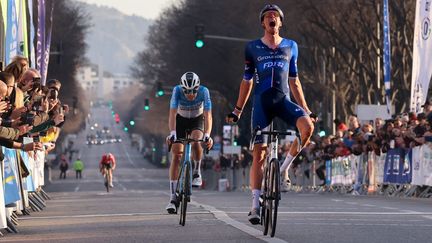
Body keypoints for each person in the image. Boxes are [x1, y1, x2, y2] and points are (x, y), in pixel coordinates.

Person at [225, 4, 316, 225]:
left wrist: (306, 109)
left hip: (283, 101)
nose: (272, 18)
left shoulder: (291, 46)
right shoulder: (252, 47)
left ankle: (283, 170)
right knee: (260, 154)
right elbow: (246, 81)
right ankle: (255, 205)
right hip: (262, 104)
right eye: (267, 16)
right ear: (263, 23)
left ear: (280, 23)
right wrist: (238, 109)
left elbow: (294, 81)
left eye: (275, 16)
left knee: (307, 128)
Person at [165, 72, 213, 214]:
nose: (190, 94)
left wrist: (208, 135)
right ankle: (173, 198)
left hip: (197, 120)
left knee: (197, 140)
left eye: (193, 91)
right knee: (177, 155)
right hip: (180, 120)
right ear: (182, 88)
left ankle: (197, 172)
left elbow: (208, 115)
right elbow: (172, 113)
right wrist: (172, 133)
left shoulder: (204, 92)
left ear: (198, 88)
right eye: (186, 91)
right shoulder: (176, 90)